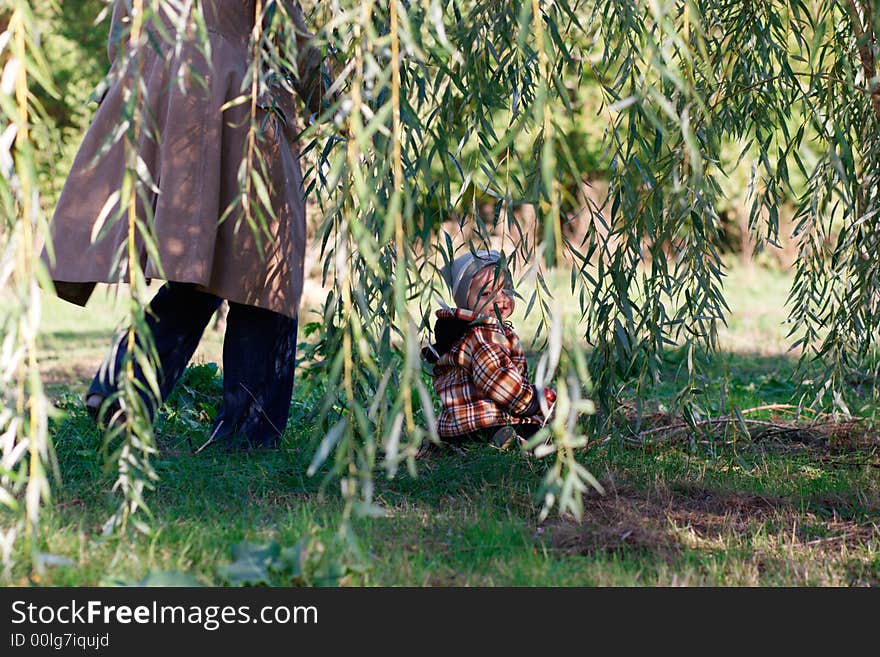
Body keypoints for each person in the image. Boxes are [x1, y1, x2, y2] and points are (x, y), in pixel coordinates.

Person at [42, 1, 330, 449]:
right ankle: (246, 432)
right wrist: (335, 100)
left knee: (209, 267)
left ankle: (125, 385)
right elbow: (287, 32)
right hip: (239, 93)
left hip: (166, 94)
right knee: (266, 261)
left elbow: (122, 30)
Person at [422, 249, 556, 450]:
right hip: (484, 421)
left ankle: (490, 442)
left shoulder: (469, 332)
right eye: (486, 293)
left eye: (506, 289)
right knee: (539, 433)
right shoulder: (482, 337)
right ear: (465, 301)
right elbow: (497, 381)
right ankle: (507, 442)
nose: (500, 299)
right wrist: (532, 401)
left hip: (460, 426)